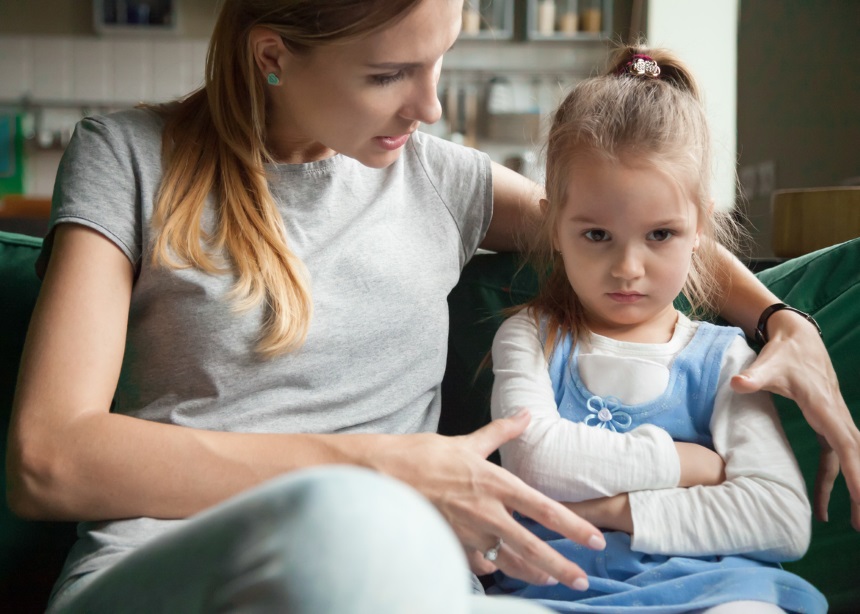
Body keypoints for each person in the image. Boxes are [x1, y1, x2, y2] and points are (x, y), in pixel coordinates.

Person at [3, 0, 855, 609]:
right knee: (347, 524)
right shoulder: (127, 158)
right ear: (272, 54)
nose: (431, 105)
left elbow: (635, 225)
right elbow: (49, 458)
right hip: (176, 568)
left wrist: (780, 320)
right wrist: (377, 467)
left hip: (411, 580)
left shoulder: (436, 177)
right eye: (388, 74)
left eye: (437, 59)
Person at [488, 46, 829, 613]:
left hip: (711, 590)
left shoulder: (726, 358)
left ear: (701, 227)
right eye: (596, 235)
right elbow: (535, 461)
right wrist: (686, 465)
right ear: (553, 226)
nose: (627, 267)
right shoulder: (530, 335)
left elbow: (780, 518)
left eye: (660, 235)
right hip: (553, 587)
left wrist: (607, 510)